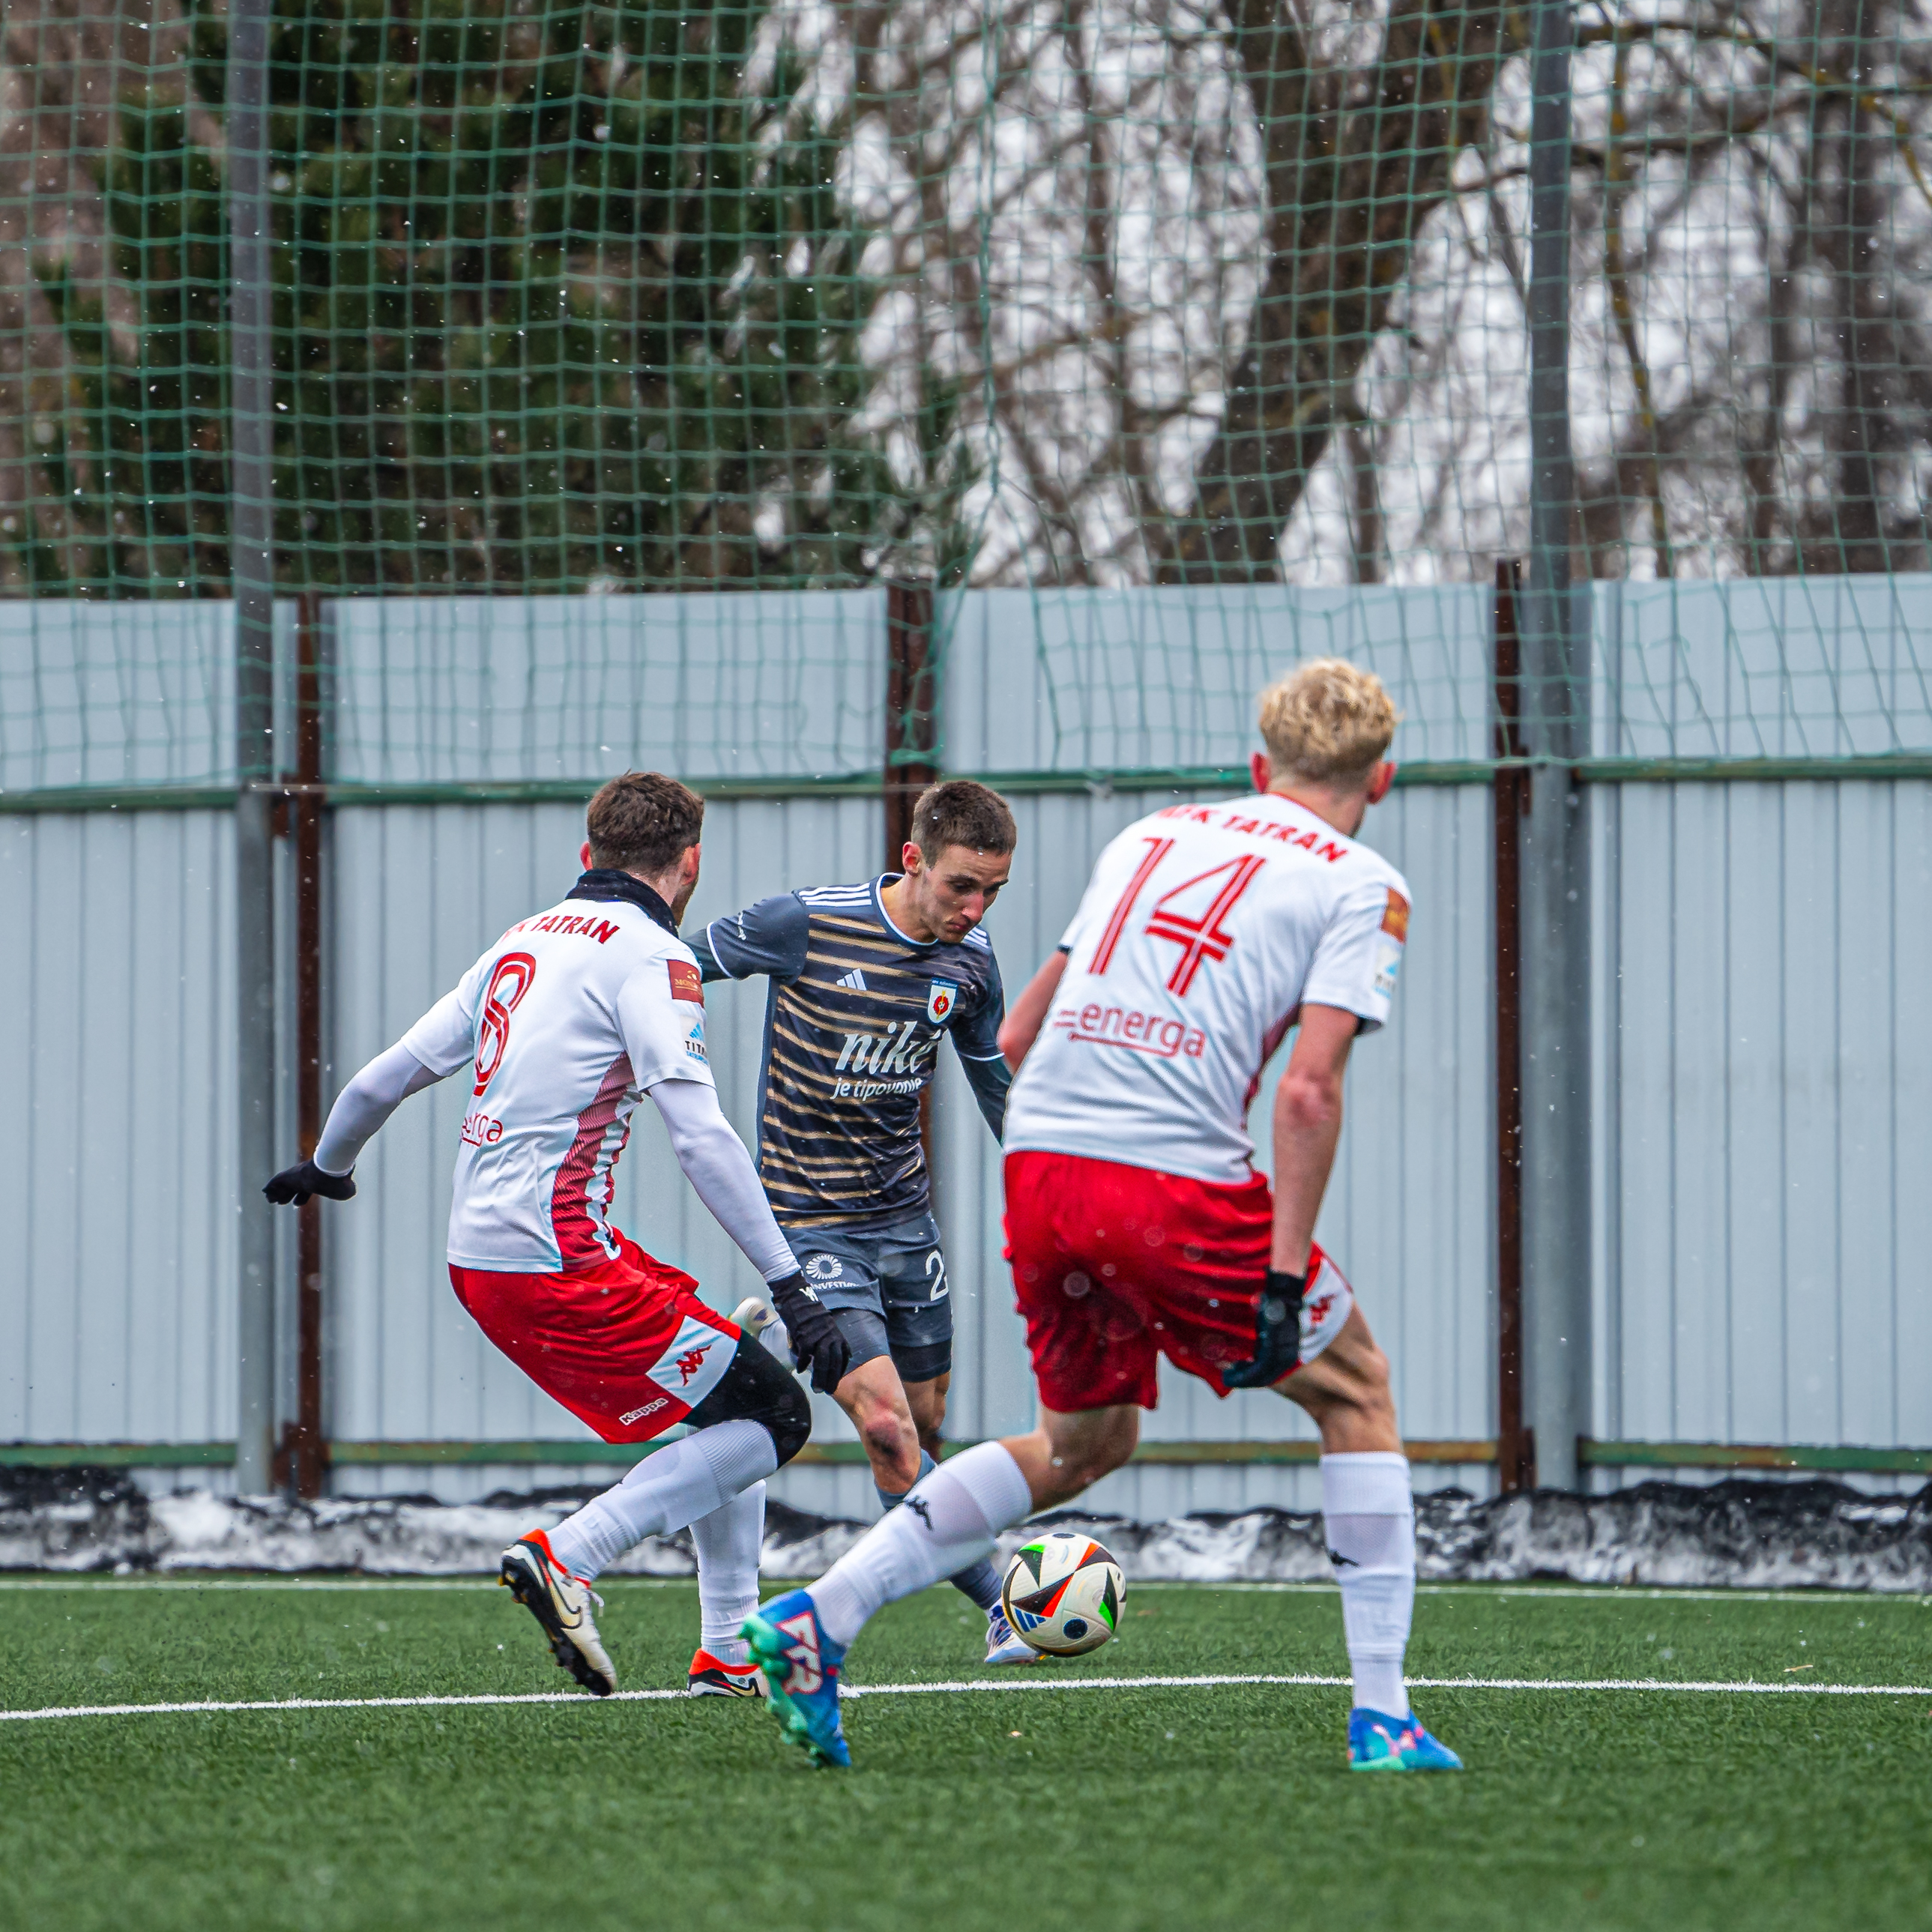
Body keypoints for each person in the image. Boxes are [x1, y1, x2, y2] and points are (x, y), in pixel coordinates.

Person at [741, 658, 1463, 1772]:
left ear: (1260, 766)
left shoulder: (1150, 837)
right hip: (1165, 1177)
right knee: (1356, 1390)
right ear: (1381, 778)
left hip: (1043, 1165)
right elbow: (1309, 1093)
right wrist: (1278, 1277)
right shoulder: (1363, 882)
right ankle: (1384, 1716)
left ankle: (815, 1619)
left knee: (1087, 1441)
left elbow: (1015, 1036)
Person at [264, 771, 849, 1698]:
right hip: (554, 1257)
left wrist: (327, 1166)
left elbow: (383, 1078)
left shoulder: (522, 939)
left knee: (734, 1391)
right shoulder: (653, 956)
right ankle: (570, 1553)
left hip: (482, 1261)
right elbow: (700, 1135)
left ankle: (730, 1655)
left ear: (588, 854)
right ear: (690, 863)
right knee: (775, 1418)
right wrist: (792, 1281)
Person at [685, 778, 1033, 1685]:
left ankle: (768, 1340)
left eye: (993, 890)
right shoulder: (804, 923)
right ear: (913, 859)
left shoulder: (970, 962)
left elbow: (995, 1082)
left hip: (905, 1223)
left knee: (923, 1424)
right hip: (806, 1222)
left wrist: (1047, 1186)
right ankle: (1004, 1601)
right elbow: (668, 967)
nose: (975, 908)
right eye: (961, 885)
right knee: (886, 1429)